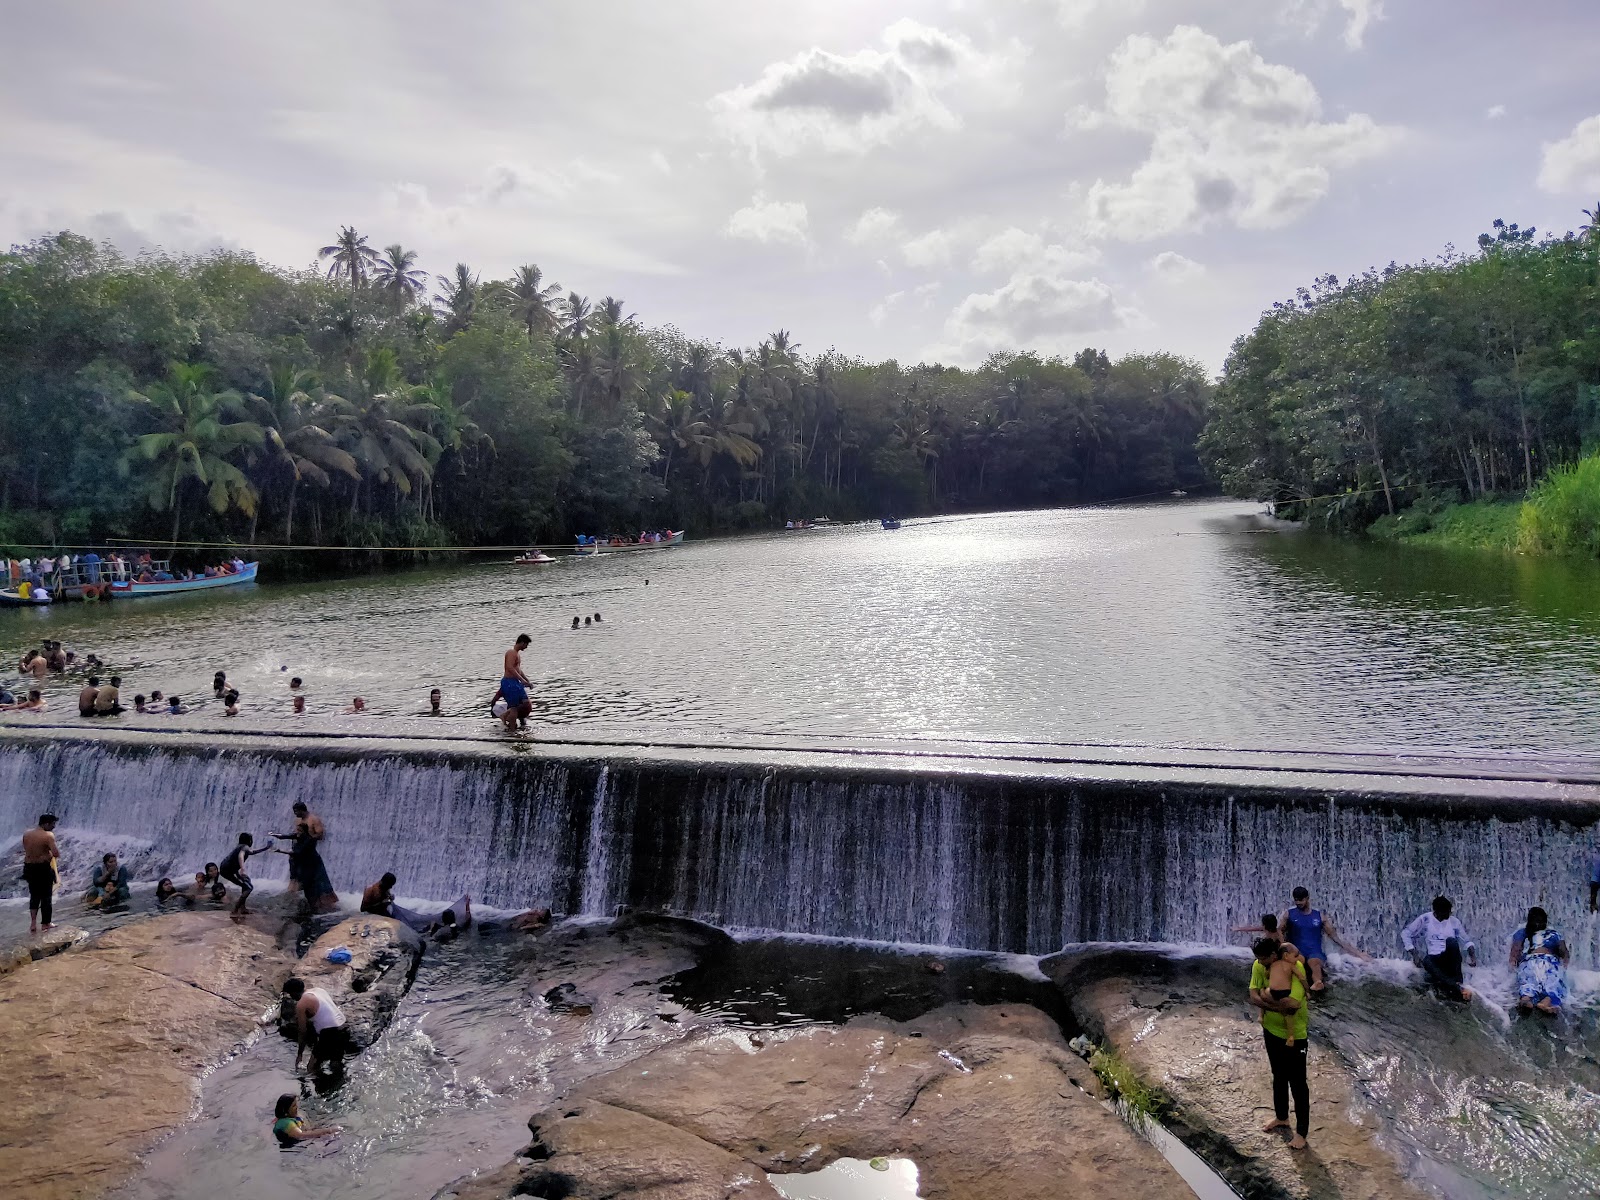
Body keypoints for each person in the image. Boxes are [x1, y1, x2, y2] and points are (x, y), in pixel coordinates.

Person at [1249, 937, 1310, 1150]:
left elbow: (1293, 1004)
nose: (1260, 962)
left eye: (1264, 959)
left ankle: (1302, 1133)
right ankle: (1282, 1117)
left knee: (1298, 1083)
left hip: (1296, 1035)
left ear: (1274, 955)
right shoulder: (1259, 966)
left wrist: (1267, 998)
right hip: (1271, 1030)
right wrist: (1275, 1004)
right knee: (1279, 1076)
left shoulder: (1294, 965)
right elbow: (1253, 996)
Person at [1276, 887, 1368, 993]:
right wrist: (1283, 946)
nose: (1298, 903)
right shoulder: (1289, 914)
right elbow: (1279, 931)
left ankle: (1317, 983)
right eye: (1296, 900)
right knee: (1298, 961)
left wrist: (1358, 954)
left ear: (1307, 898)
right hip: (1297, 950)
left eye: (1301, 900)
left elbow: (1335, 937)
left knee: (1315, 964)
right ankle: (1289, 985)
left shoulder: (1319, 916)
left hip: (1314, 951)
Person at [1402, 895, 1477, 1001]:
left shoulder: (1454, 922)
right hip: (1435, 959)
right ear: (1438, 911)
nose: (1450, 914)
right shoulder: (1426, 919)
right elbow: (1406, 933)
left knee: (1452, 941)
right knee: (1427, 960)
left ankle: (1458, 982)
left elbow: (1467, 941)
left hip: (1449, 958)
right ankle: (1454, 986)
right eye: (1447, 911)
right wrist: (1414, 954)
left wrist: (1472, 956)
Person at [274, 803, 336, 913]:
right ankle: (301, 902)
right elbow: (297, 834)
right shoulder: (298, 820)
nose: (295, 814)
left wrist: (306, 841)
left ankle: (320, 904)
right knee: (297, 878)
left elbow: (320, 835)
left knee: (315, 880)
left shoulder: (314, 820)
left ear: (302, 810)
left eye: (296, 811)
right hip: (298, 853)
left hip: (308, 853)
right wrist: (283, 837)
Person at [283, 978, 350, 1077]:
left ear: (293, 993)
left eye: (290, 994)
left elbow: (302, 1031)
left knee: (311, 1069)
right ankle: (339, 1084)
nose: (291, 998)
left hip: (330, 1032)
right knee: (335, 1063)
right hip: (344, 1027)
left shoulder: (301, 1004)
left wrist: (300, 1054)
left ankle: (316, 1089)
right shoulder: (319, 990)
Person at [1509, 906, 1569, 1016]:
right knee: (1552, 985)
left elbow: (1515, 953)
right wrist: (1563, 967)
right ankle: (1546, 1003)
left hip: (1529, 962)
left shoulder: (1522, 932)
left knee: (1528, 984)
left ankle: (1526, 1000)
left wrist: (1514, 967)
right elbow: (1564, 952)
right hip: (1549, 962)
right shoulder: (1553, 934)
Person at [22, 813, 60, 933]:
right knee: (46, 896)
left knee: (34, 896)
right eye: (53, 824)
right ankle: (46, 924)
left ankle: (33, 924)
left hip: (29, 867)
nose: (54, 827)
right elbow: (55, 853)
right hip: (42, 868)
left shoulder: (27, 834)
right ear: (46, 824)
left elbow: (27, 849)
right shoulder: (48, 835)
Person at [220, 833, 270, 916]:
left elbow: (252, 852)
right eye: (251, 839)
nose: (252, 841)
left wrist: (265, 848)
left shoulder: (241, 846)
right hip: (228, 870)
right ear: (249, 840)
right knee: (249, 887)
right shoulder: (244, 847)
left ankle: (243, 908)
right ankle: (235, 910)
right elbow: (241, 856)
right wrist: (242, 868)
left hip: (227, 869)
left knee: (246, 881)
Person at [272, 1094, 338, 1147]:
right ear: (285, 1110)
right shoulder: (286, 1123)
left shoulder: (290, 1117)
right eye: (294, 1106)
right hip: (294, 1145)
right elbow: (301, 1135)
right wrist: (328, 1130)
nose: (297, 1107)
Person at [499, 634, 533, 731]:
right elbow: (510, 668)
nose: (526, 647)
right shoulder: (511, 652)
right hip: (509, 682)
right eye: (526, 644)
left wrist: (527, 681)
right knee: (513, 708)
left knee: (526, 702)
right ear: (522, 642)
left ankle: (505, 715)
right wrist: (521, 680)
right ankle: (512, 731)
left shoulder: (517, 654)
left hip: (515, 682)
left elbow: (518, 670)